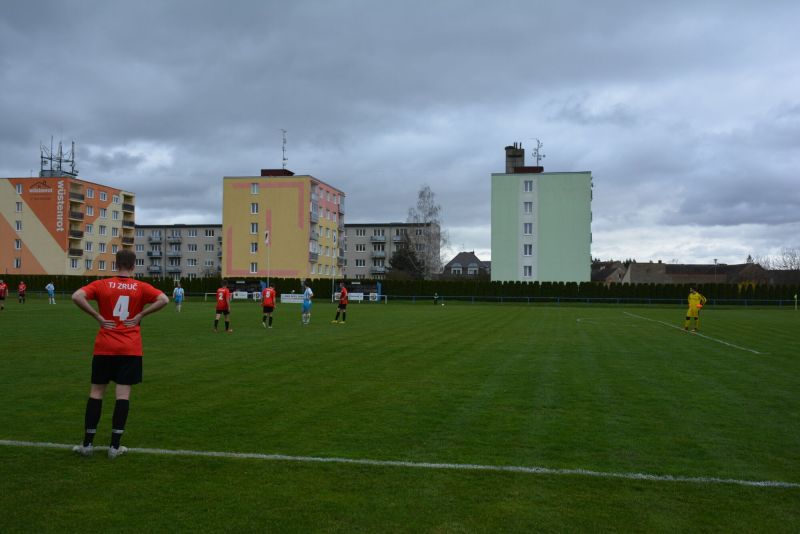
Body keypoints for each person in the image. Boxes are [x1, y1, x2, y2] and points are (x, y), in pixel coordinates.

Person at [71, 249, 169, 459]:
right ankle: (114, 447)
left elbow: (77, 296)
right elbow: (164, 299)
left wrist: (97, 316)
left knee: (96, 393)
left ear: (116, 264)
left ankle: (87, 445)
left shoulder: (102, 284)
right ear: (134, 266)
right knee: (122, 395)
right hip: (130, 348)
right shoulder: (140, 287)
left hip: (104, 346)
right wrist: (142, 313)